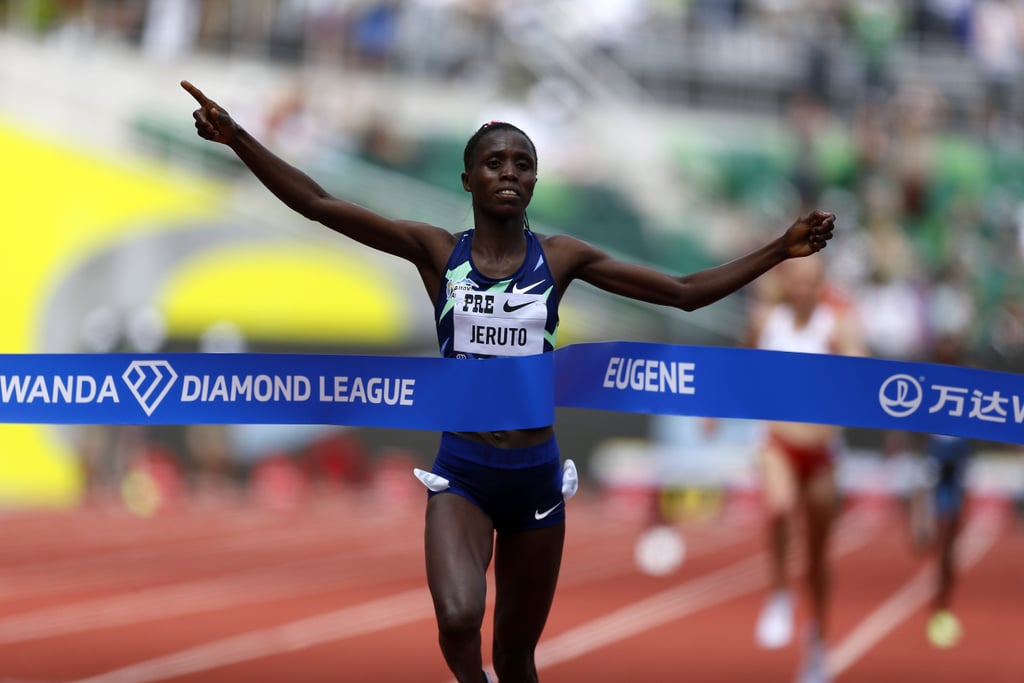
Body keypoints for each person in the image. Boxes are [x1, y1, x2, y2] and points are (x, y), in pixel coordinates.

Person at [182, 79, 836, 683]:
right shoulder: (438, 251)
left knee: (517, 656)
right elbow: (320, 203)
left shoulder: (561, 257)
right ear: (468, 178)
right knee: (460, 618)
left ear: (535, 180)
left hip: (535, 477)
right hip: (463, 471)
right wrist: (239, 136)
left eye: (522, 163)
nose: (509, 172)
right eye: (495, 162)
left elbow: (684, 291)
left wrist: (779, 249)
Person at [745, 256, 865, 683]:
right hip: (777, 444)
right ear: (786, 282)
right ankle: (778, 591)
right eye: (797, 280)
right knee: (779, 507)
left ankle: (817, 642)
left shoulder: (836, 324)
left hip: (823, 451)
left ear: (822, 285)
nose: (804, 289)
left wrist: (846, 360)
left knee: (817, 557)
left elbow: (860, 366)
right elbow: (740, 366)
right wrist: (713, 412)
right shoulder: (768, 321)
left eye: (813, 281)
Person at [907, 333, 975, 649]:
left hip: (956, 468)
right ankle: (939, 592)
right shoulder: (925, 384)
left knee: (948, 545)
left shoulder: (971, 385)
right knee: (922, 541)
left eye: (953, 353)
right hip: (932, 464)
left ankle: (941, 605)